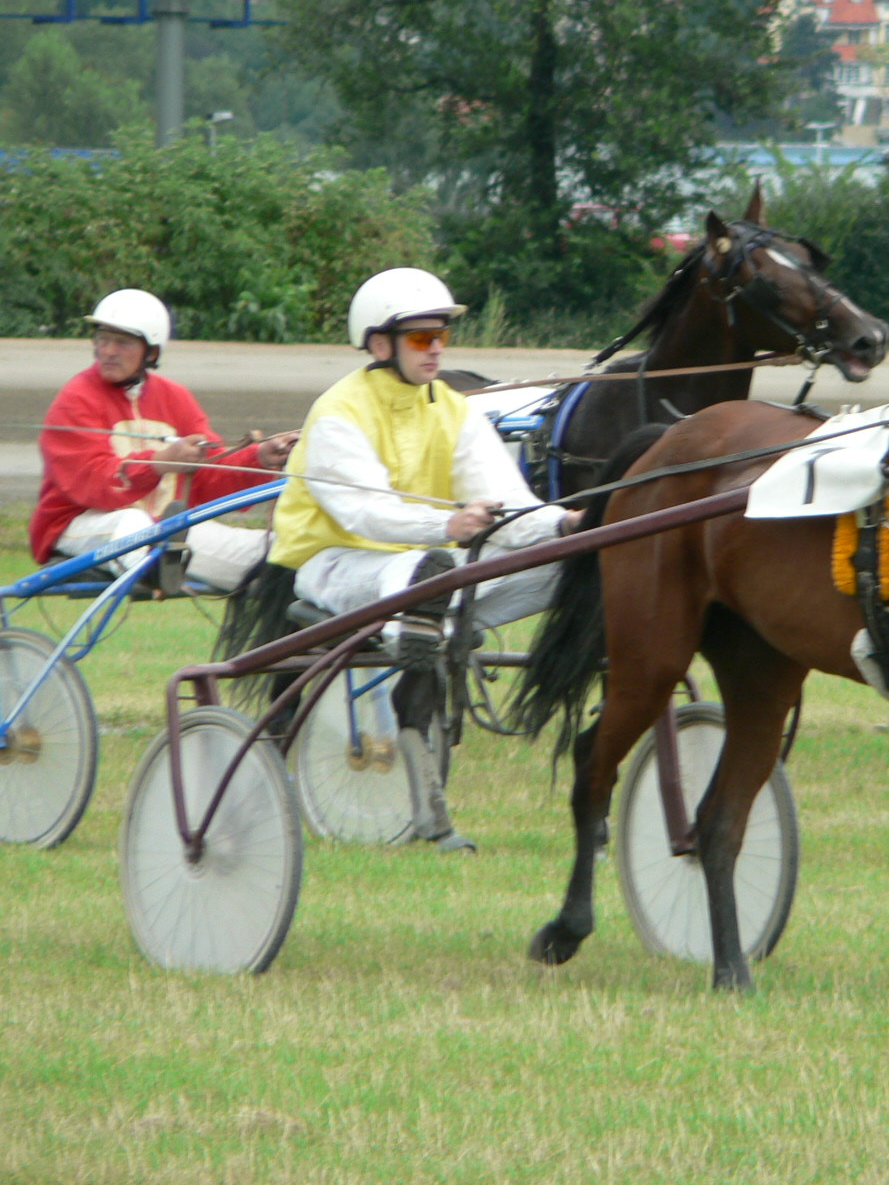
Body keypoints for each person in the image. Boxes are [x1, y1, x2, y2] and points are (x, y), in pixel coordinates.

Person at [265, 267, 581, 851]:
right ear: (380, 344)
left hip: (427, 571)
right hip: (338, 565)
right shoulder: (337, 412)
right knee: (418, 570)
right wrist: (448, 525)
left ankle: (429, 621)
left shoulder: (455, 410)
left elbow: (506, 504)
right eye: (419, 338)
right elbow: (367, 514)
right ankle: (426, 618)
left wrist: (564, 523)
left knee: (565, 564)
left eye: (441, 337)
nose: (435, 348)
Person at [29, 289, 296, 592]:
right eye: (102, 339)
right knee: (133, 524)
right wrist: (160, 462)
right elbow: (95, 483)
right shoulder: (75, 400)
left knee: (277, 551)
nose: (108, 351)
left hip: (167, 530)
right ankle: (160, 565)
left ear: (151, 352)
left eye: (123, 342)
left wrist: (259, 457)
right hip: (83, 524)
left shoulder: (175, 398)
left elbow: (208, 476)